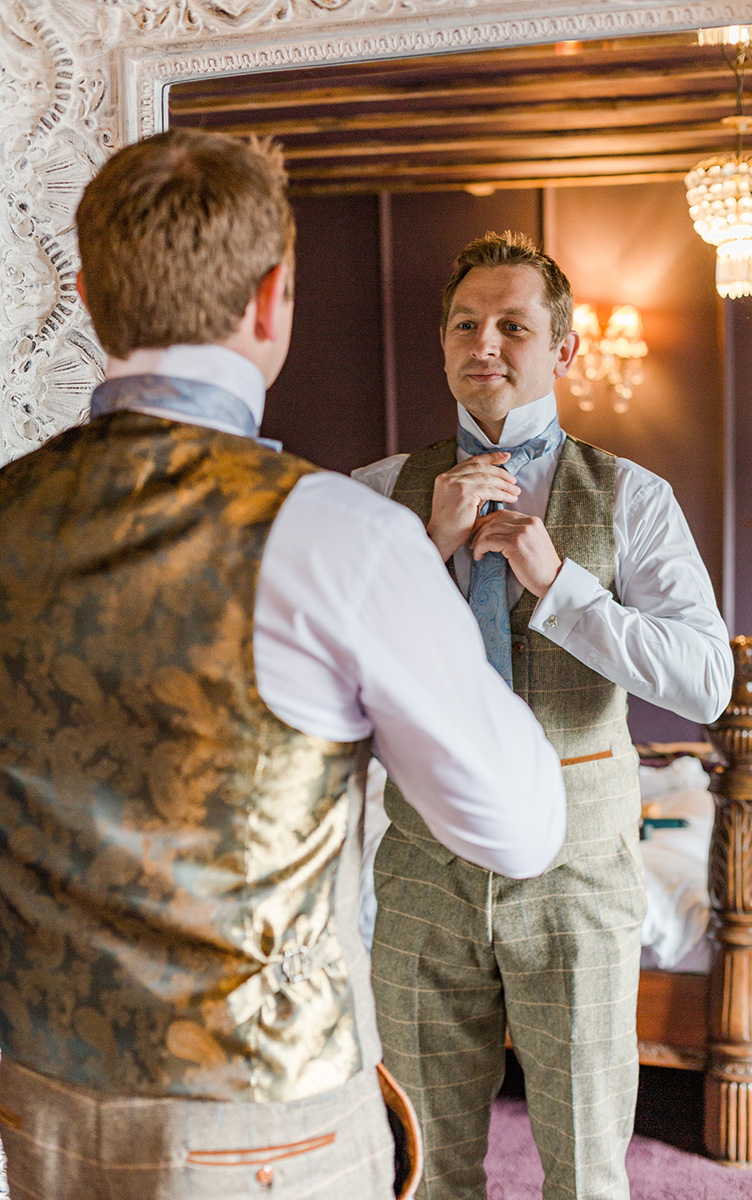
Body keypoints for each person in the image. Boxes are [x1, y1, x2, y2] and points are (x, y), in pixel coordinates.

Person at [0, 139, 568, 1200]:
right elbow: (518, 826)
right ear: (273, 300)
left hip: (40, 1104)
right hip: (265, 1129)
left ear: (86, 296)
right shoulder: (342, 537)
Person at [354, 230, 734, 1200]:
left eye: (512, 325)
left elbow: (702, 683)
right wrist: (418, 550)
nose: (485, 343)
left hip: (578, 868)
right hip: (419, 866)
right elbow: (335, 669)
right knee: (419, 1161)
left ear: (561, 351)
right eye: (464, 324)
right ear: (442, 346)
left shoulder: (631, 501)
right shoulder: (373, 497)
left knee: (582, 1164)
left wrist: (561, 586)